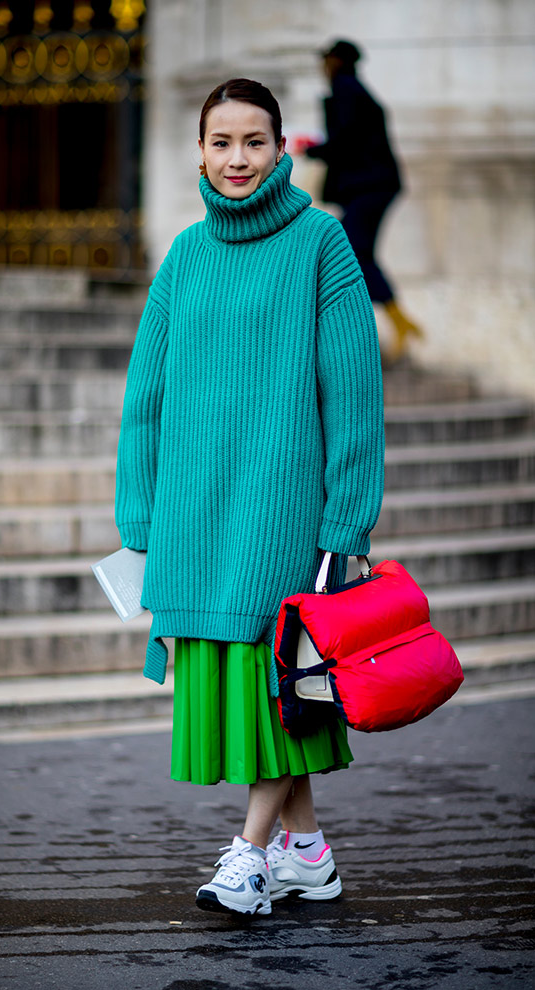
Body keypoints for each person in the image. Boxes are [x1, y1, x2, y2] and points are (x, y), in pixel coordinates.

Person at [115, 78, 384, 917]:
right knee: (256, 692)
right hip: (194, 515)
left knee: (271, 688)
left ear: (281, 149)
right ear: (199, 151)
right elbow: (145, 395)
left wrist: (346, 521)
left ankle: (248, 853)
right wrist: (138, 517)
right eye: (221, 142)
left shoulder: (321, 244)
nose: (237, 158)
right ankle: (307, 853)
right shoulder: (185, 255)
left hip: (282, 515)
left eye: (254, 141)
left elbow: (353, 394)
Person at [303, 39, 422, 361]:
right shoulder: (354, 91)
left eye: (327, 60)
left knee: (349, 254)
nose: (323, 67)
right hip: (371, 186)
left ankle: (364, 330)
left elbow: (344, 140)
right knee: (357, 253)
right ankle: (399, 322)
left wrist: (313, 149)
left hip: (369, 186)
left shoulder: (346, 90)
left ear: (337, 61)